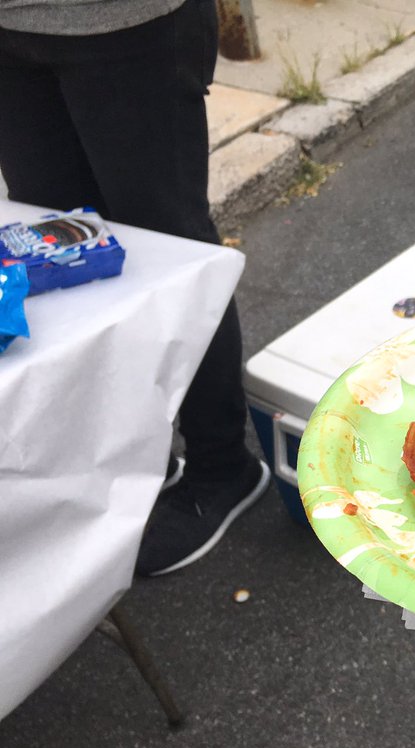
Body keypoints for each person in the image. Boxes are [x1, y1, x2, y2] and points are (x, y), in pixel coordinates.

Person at [0, 0, 270, 577]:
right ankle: (133, 459)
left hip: (127, 21)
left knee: (173, 255)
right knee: (60, 262)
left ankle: (223, 467)